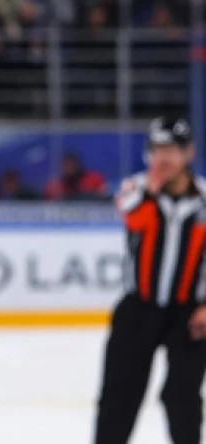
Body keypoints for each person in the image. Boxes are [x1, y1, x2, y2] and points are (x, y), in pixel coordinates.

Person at [95, 117, 206, 444]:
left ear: (188, 152)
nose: (163, 158)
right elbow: (136, 220)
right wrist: (152, 192)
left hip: (189, 313)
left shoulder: (204, 199)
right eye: (157, 150)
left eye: (171, 150)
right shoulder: (135, 189)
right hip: (138, 309)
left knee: (182, 398)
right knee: (119, 397)